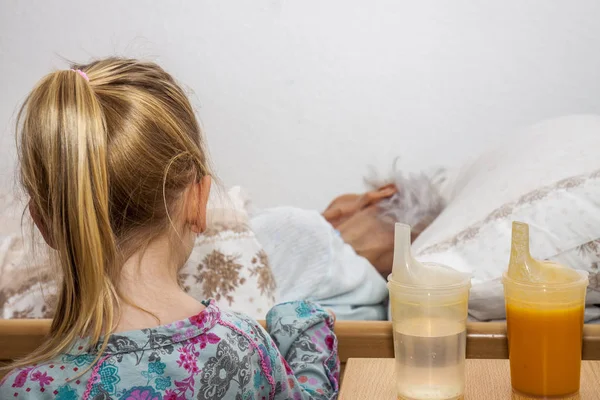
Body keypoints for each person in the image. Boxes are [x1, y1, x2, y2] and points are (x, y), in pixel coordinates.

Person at [0, 58, 339, 399]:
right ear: (199, 199)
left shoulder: (25, 390)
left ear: (44, 222)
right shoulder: (242, 348)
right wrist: (303, 323)